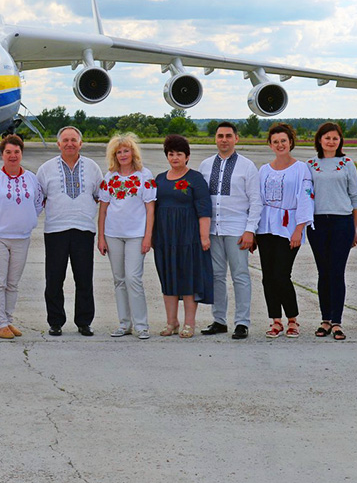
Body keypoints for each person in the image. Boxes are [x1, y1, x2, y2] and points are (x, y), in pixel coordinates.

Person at [197, 122, 261, 340]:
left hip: (237, 229)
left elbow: (256, 201)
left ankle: (242, 322)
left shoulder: (247, 166)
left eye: (228, 136)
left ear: (236, 138)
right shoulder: (205, 165)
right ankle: (219, 320)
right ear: (215, 139)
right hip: (213, 229)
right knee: (216, 276)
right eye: (220, 136)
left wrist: (250, 230)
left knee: (240, 275)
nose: (223, 140)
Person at [36, 126, 102, 337]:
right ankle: (55, 321)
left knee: (84, 278)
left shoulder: (92, 168)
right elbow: (39, 198)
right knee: (54, 279)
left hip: (84, 230)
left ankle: (84, 322)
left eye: (74, 140)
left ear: (80, 143)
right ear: (58, 144)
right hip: (56, 230)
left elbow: (99, 195)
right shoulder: (46, 169)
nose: (70, 144)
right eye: (65, 140)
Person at [0, 134, 45, 339]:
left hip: (22, 238)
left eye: (16, 152)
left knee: (13, 282)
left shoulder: (31, 178)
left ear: (21, 153)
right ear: (2, 155)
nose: (13, 156)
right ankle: (0, 323)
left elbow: (38, 203)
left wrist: (26, 220)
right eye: (8, 152)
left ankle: (8, 319)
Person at [151, 134, 213, 338]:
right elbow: (152, 209)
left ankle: (189, 323)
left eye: (179, 154)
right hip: (165, 237)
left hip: (189, 236)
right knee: (168, 279)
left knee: (188, 278)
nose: (175, 157)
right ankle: (171, 323)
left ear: (187, 156)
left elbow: (204, 209)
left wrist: (204, 236)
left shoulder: (195, 178)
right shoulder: (160, 179)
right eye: (171, 154)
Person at [256, 123, 313, 339]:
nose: (280, 145)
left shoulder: (300, 169)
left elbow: (306, 199)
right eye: (275, 141)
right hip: (265, 228)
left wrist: (299, 229)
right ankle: (275, 321)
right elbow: (258, 201)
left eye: (283, 141)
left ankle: (292, 319)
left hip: (288, 228)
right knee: (267, 277)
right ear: (270, 145)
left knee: (282, 274)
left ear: (290, 142)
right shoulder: (264, 170)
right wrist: (253, 231)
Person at [97, 133, 156, 340]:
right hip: (113, 234)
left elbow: (150, 209)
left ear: (133, 152)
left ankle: (141, 325)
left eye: (126, 150)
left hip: (136, 235)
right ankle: (124, 323)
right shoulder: (110, 177)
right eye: (119, 152)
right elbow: (103, 209)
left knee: (133, 278)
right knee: (119, 280)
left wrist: (148, 236)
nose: (123, 155)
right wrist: (101, 237)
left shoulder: (144, 176)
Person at [306, 121, 357, 341]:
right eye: (327, 137)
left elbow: (355, 197)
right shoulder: (310, 164)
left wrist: (354, 229)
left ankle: (337, 321)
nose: (331, 141)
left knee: (337, 272)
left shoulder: (347, 163)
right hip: (318, 223)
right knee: (323, 272)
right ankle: (325, 319)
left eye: (335, 138)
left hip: (342, 222)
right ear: (320, 140)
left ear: (340, 141)